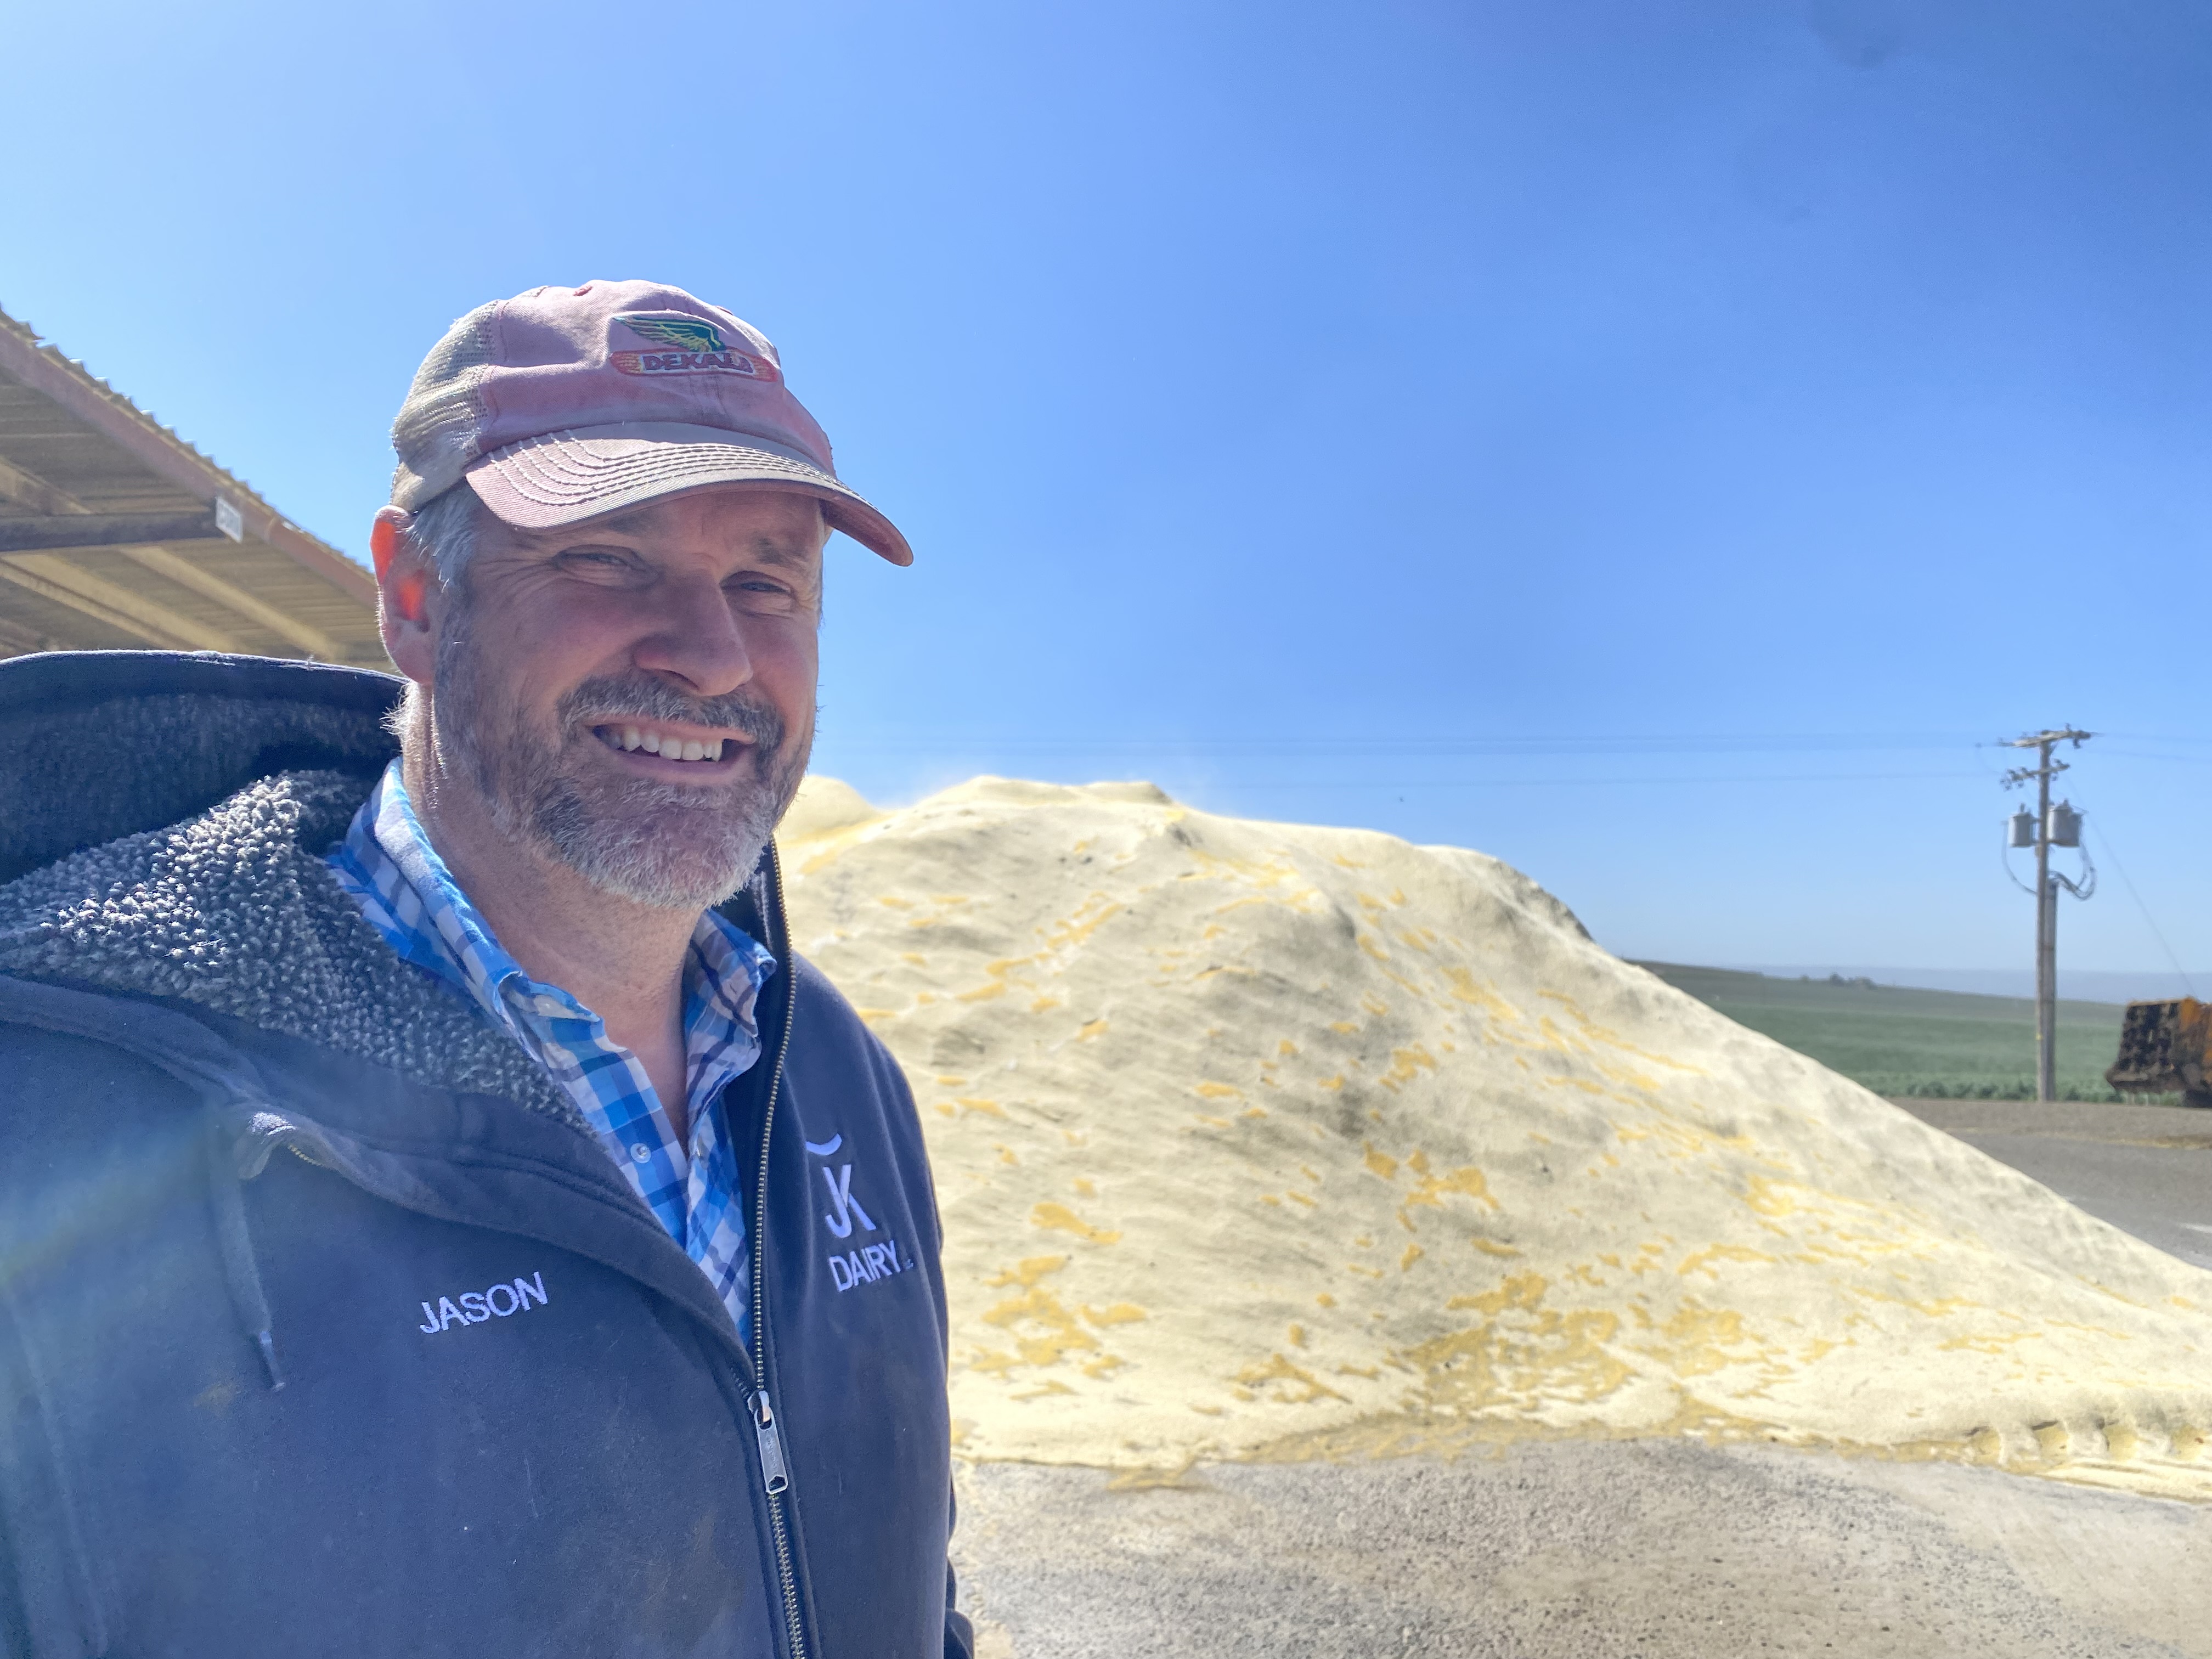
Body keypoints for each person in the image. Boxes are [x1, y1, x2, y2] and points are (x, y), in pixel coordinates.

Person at [0, 280, 970, 1658]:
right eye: (608, 560)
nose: (711, 655)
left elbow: (909, 1574)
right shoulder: (68, 1092)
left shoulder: (836, 1074)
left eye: (767, 584)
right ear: (411, 595)